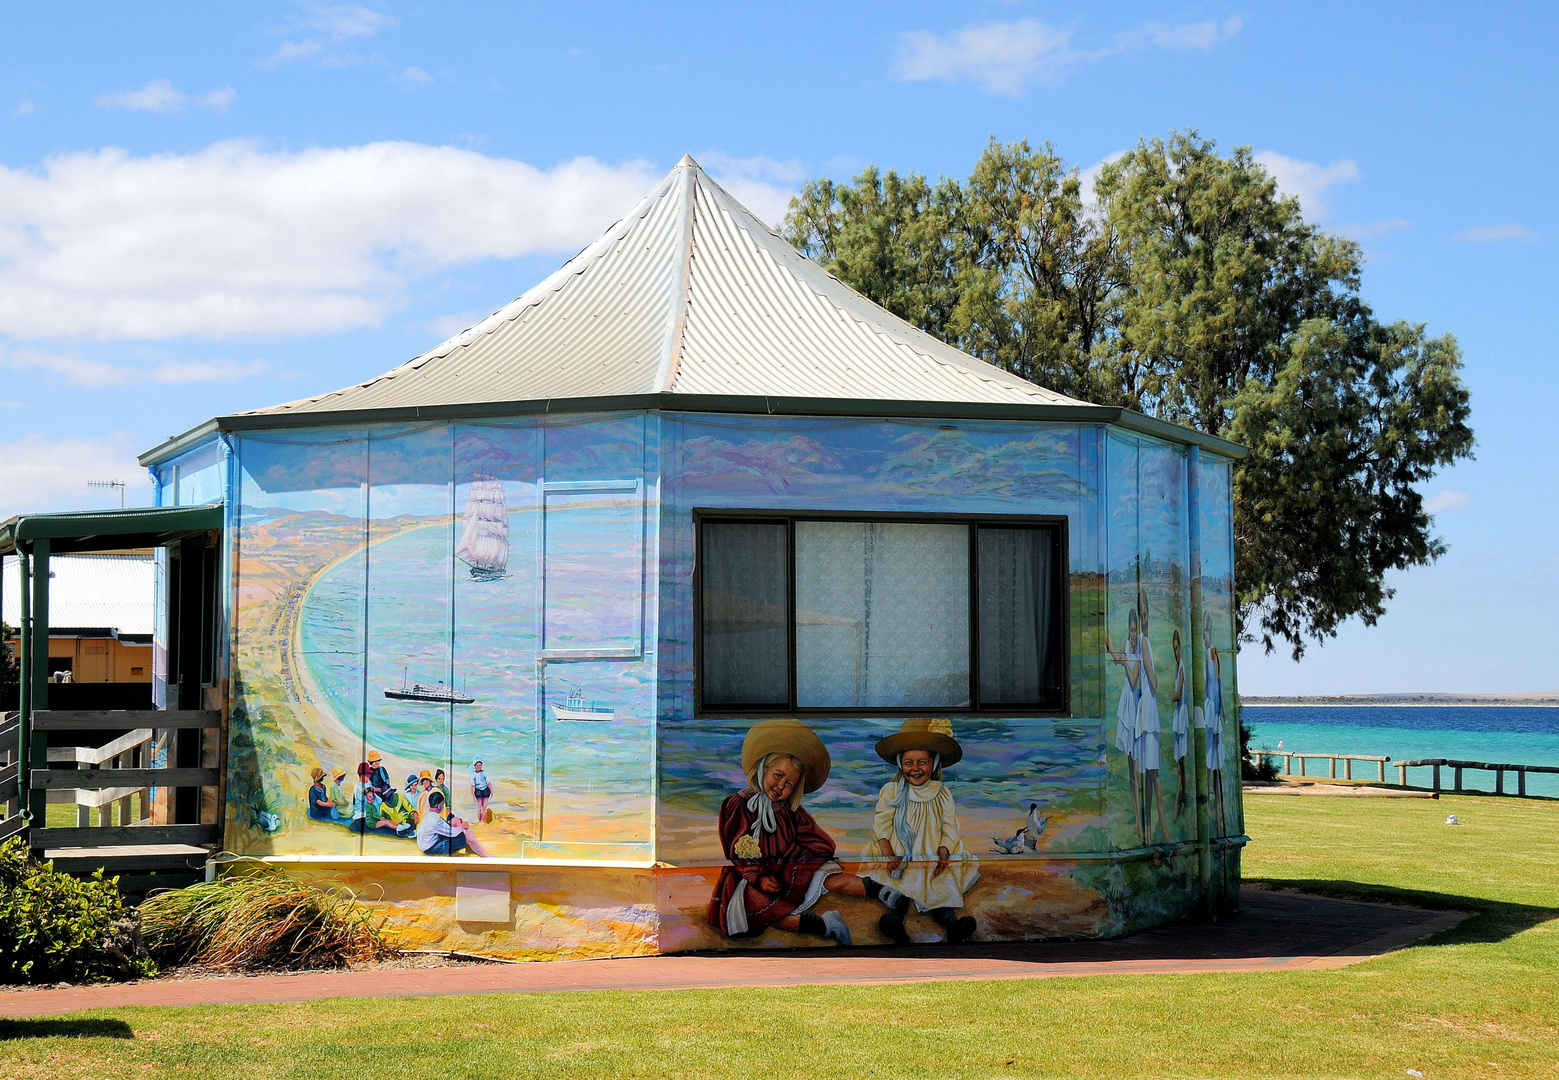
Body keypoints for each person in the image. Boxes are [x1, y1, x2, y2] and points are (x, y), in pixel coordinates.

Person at [706, 719, 861, 946]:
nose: (781, 786)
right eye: (778, 776)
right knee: (765, 910)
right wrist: (758, 877)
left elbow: (821, 842)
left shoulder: (789, 810)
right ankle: (826, 925)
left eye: (789, 784)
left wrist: (793, 860)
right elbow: (735, 848)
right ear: (762, 769)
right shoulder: (739, 804)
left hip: (782, 876)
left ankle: (872, 898)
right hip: (746, 878)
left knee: (784, 902)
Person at [860, 718, 980, 945]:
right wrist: (889, 854)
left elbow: (949, 826)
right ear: (899, 764)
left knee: (938, 886)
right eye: (908, 762)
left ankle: (953, 925)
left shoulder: (941, 793)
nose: (915, 768)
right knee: (901, 886)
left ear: (933, 763)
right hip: (900, 853)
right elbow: (882, 823)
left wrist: (944, 850)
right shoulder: (892, 791)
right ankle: (895, 923)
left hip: (931, 853)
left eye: (922, 762)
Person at [1202, 611, 1229, 837]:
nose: (1205, 636)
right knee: (1209, 757)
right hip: (1209, 706)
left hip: (1214, 708)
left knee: (1215, 758)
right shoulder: (1204, 653)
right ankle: (1211, 802)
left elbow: (1217, 682)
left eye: (1207, 632)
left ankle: (1217, 803)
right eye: (1203, 632)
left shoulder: (1213, 653)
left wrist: (1222, 711)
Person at [416, 790, 492, 857]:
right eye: (442, 804)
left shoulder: (428, 816)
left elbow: (439, 826)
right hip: (431, 848)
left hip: (427, 844)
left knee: (455, 821)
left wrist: (454, 822)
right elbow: (452, 833)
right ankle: (485, 854)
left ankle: (470, 846)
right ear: (439, 806)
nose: (443, 806)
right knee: (469, 835)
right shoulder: (435, 820)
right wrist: (462, 826)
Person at [1171, 629, 1192, 817]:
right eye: (1174, 649)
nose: (1176, 652)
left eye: (1178, 648)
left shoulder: (1182, 667)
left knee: (1181, 761)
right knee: (1179, 761)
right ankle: (1180, 800)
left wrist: (1173, 696)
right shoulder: (1178, 668)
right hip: (1178, 717)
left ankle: (1182, 799)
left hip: (1181, 717)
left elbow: (1178, 693)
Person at [471, 757, 493, 823]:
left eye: (480, 765)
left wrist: (491, 791)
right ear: (475, 766)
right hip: (478, 791)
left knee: (484, 807)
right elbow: (473, 786)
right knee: (479, 807)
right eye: (477, 765)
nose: (478, 766)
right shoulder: (473, 775)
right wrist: (473, 795)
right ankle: (479, 820)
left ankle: (482, 820)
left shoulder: (484, 773)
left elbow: (488, 783)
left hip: (485, 790)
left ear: (481, 766)